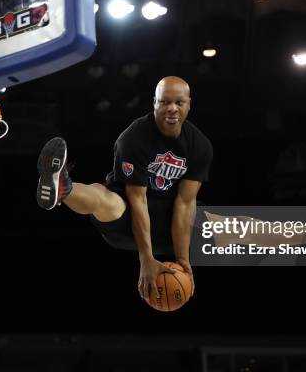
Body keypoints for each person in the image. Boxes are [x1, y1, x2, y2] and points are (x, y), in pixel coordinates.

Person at [36, 76, 212, 302]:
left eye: (179, 102)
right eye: (164, 102)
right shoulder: (134, 138)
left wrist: (183, 260)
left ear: (189, 103)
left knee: (224, 223)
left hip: (171, 221)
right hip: (129, 218)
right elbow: (138, 201)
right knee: (105, 198)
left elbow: (185, 203)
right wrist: (146, 258)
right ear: (154, 103)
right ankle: (64, 188)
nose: (172, 109)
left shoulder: (199, 145)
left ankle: (272, 237)